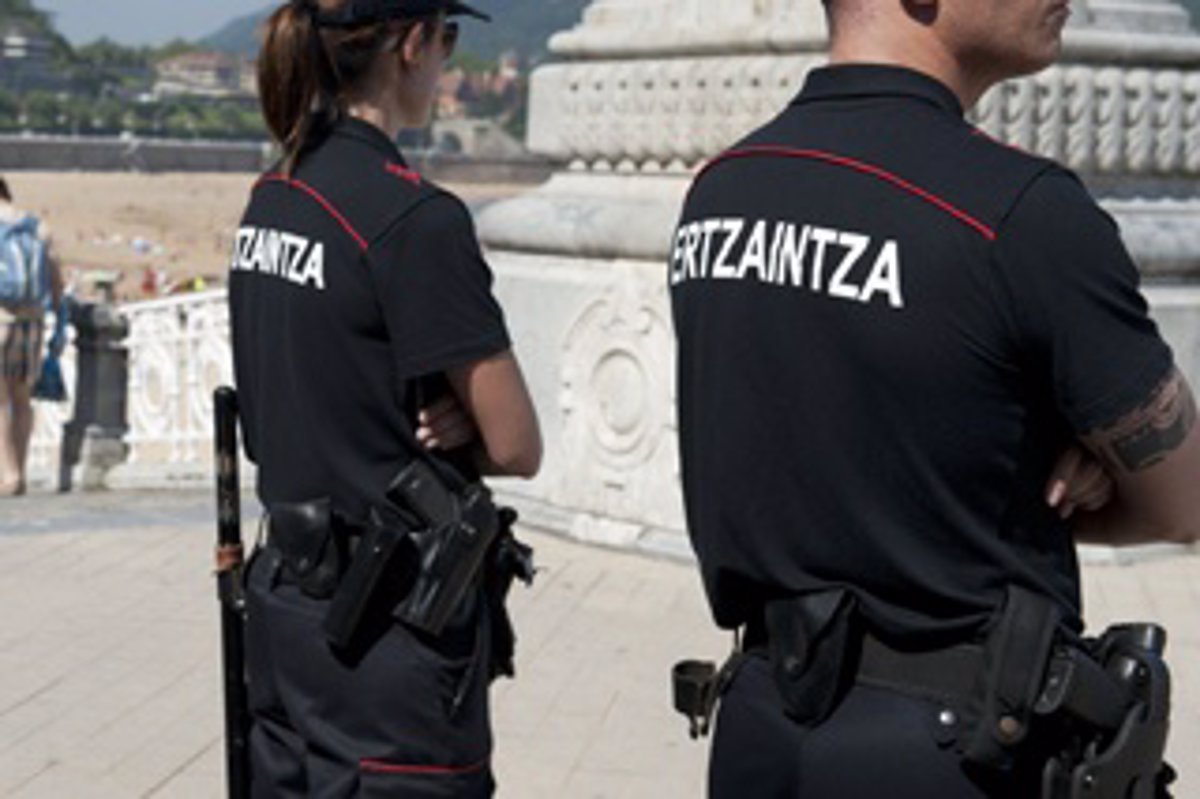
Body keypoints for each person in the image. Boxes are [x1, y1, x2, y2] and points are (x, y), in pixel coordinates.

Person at [669, 0, 1200, 796]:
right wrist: (1051, 480)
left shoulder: (720, 189)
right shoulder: (1019, 212)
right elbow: (1182, 500)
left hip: (761, 726)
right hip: (956, 747)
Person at [228, 1, 542, 795]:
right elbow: (517, 445)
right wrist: (465, 430)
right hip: (384, 636)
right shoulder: (415, 218)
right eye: (449, 38)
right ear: (411, 45)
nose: (450, 61)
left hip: (285, 609)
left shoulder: (274, 196)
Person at [0, 176, 63, 496]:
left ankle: (7, 474)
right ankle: (20, 471)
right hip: (32, 323)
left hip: (1, 319)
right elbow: (56, 282)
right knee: (22, 400)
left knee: (0, 400)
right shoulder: (36, 226)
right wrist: (58, 324)